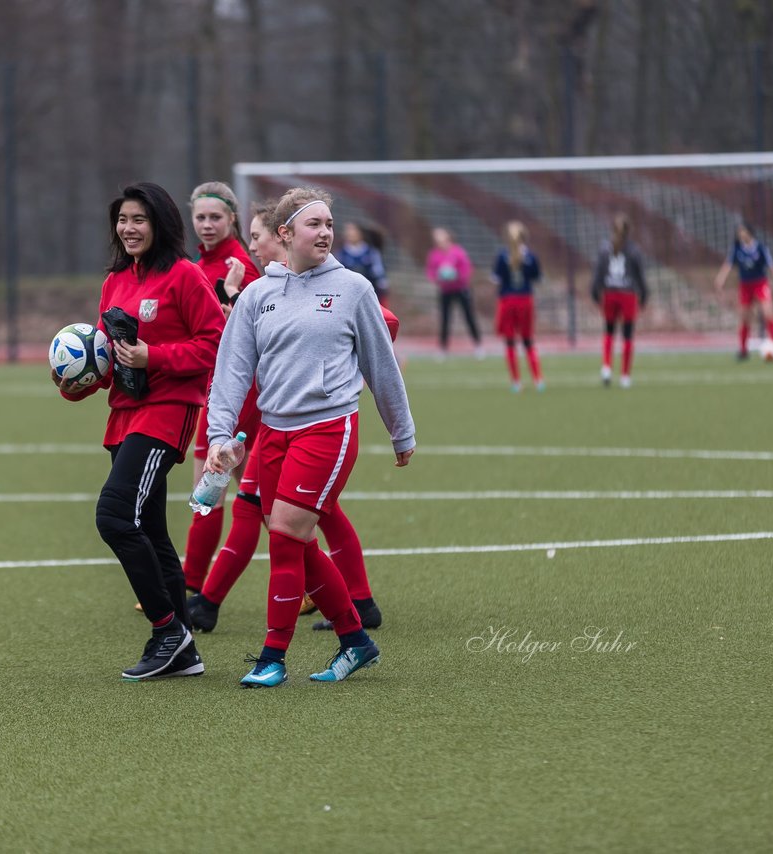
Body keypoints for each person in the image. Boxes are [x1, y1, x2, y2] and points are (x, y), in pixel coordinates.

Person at [205, 188, 415, 688]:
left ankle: (272, 658)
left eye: (328, 223)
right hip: (273, 433)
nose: (325, 232)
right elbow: (232, 371)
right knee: (297, 544)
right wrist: (218, 436)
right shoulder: (258, 295)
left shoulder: (354, 289)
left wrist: (400, 430)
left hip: (329, 428)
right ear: (285, 234)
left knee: (284, 538)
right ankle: (355, 640)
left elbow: (380, 365)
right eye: (313, 224)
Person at [54, 182, 224, 681]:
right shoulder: (115, 282)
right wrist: (74, 380)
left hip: (166, 412)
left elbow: (216, 345)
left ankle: (167, 629)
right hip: (123, 416)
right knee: (149, 530)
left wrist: (156, 356)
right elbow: (106, 357)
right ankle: (185, 651)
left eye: (139, 220)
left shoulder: (185, 276)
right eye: (123, 220)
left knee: (113, 516)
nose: (129, 229)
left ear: (160, 224)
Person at [180, 181, 261, 597]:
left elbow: (255, 333)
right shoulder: (200, 262)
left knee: (210, 486)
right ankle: (313, 587)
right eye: (200, 217)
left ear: (233, 219)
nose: (207, 225)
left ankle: (190, 586)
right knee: (259, 497)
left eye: (216, 217)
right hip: (221, 388)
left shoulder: (238, 267)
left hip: (235, 393)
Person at [590, 214, 648, 388]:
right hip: (627, 295)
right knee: (627, 335)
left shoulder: (604, 249)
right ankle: (625, 376)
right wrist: (644, 294)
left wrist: (595, 291)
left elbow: (599, 273)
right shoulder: (633, 250)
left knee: (608, 331)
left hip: (609, 293)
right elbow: (640, 275)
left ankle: (607, 367)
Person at [713, 221, 773, 360]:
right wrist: (720, 279)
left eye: (743, 231)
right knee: (744, 317)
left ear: (749, 233)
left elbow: (771, 267)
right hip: (745, 286)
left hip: (760, 284)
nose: (740, 234)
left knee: (768, 313)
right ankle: (743, 350)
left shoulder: (760, 248)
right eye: (739, 232)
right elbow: (728, 265)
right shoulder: (737, 248)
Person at [491, 220, 543, 392]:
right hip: (525, 300)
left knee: (510, 342)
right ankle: (538, 380)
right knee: (528, 341)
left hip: (507, 301)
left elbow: (496, 279)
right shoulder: (531, 256)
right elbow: (537, 277)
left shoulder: (501, 256)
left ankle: (516, 382)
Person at [426, 226, 481, 355]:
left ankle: (477, 344)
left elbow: (467, 269)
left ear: (447, 237)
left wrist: (456, 276)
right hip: (445, 290)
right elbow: (430, 271)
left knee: (469, 316)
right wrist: (439, 277)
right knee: (445, 318)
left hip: (461, 289)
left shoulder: (458, 252)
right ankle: (443, 348)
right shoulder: (434, 254)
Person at [335, 221, 389, 305]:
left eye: (353, 230)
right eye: (347, 231)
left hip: (370, 293)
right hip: (349, 295)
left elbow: (379, 274)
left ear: (360, 233)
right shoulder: (341, 254)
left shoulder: (371, 252)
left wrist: (382, 287)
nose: (350, 234)